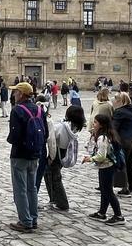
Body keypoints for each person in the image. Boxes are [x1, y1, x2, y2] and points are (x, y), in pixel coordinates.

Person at [6, 82, 44, 233]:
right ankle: (33, 218)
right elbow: (45, 132)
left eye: (15, 92)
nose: (14, 95)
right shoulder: (39, 109)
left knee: (20, 188)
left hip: (20, 154)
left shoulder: (17, 110)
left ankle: (25, 221)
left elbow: (14, 135)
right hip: (35, 153)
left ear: (21, 94)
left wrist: (11, 141)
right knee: (32, 187)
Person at [80, 112, 124, 225]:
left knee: (108, 192)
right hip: (105, 166)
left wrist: (90, 159)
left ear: (101, 125)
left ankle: (118, 215)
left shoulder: (102, 138)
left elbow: (101, 155)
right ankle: (102, 212)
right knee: (105, 191)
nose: (93, 124)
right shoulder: (105, 135)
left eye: (95, 122)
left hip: (107, 166)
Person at [45, 105, 85, 211]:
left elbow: (52, 137)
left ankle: (61, 202)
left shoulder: (62, 127)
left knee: (55, 177)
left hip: (56, 151)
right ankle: (54, 199)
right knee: (53, 175)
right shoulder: (75, 127)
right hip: (64, 152)